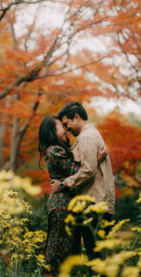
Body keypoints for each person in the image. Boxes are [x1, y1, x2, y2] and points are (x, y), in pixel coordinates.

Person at [39, 116, 109, 276]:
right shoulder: (55, 150)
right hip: (62, 206)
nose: (65, 129)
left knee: (67, 251)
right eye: (60, 127)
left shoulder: (61, 149)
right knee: (59, 253)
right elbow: (77, 171)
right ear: (51, 132)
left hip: (66, 206)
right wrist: (96, 159)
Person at [50, 102, 115, 260]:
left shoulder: (86, 137)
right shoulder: (92, 134)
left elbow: (88, 170)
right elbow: (91, 167)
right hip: (99, 201)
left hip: (93, 202)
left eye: (66, 124)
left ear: (77, 117)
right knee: (98, 254)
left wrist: (63, 184)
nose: (66, 129)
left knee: (95, 256)